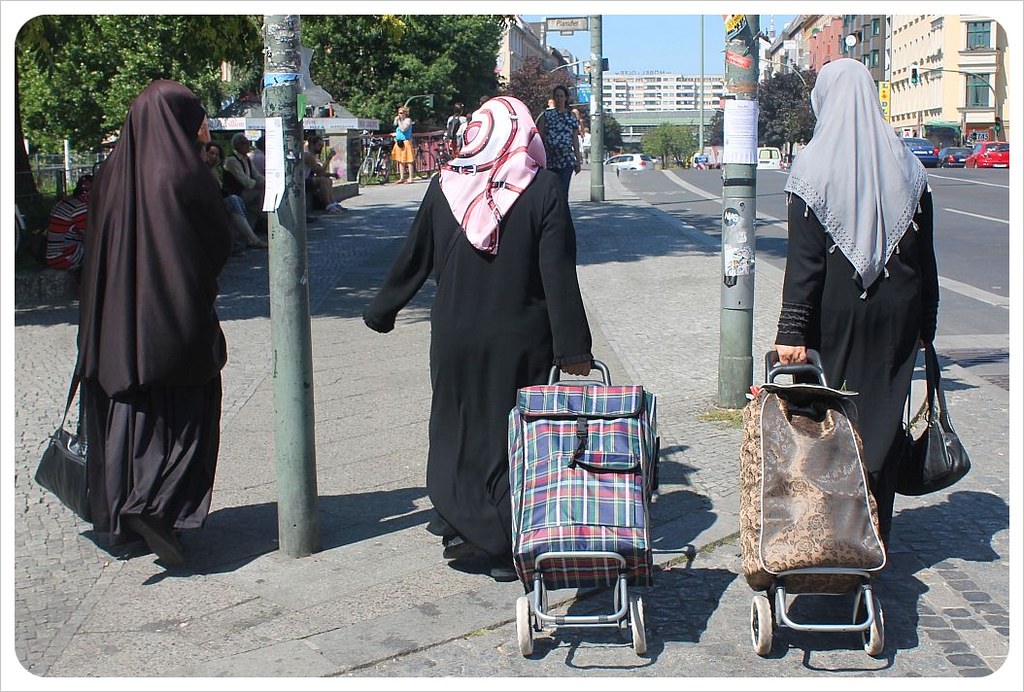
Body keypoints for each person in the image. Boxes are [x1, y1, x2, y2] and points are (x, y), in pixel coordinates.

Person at [363, 96, 593, 582]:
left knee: (455, 425)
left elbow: (415, 254)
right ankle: (502, 543)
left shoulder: (446, 184)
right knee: (512, 435)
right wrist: (573, 350)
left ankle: (458, 520)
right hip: (521, 337)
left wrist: (383, 308)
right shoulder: (543, 188)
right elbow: (558, 275)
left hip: (455, 333)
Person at [772, 59, 939, 546]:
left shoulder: (812, 167)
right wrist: (926, 323)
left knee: (830, 417)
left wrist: (791, 331)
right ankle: (875, 532)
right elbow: (925, 257)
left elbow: (805, 263)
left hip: (837, 313)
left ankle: (833, 532)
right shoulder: (908, 165)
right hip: (899, 313)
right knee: (883, 420)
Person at [76, 79, 233, 567]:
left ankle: (123, 515)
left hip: (115, 327)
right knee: (188, 411)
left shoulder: (110, 173)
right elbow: (218, 244)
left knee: (128, 414)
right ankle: (159, 505)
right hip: (173, 321)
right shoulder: (186, 174)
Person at [204, 141, 267, 250]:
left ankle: (251, 233)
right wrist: (259, 184)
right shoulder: (232, 161)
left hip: (226, 197)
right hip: (234, 193)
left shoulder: (246, 159)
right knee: (237, 200)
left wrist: (267, 183)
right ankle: (254, 236)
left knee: (252, 197)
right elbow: (245, 181)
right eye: (211, 153)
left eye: (217, 155)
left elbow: (256, 175)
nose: (214, 157)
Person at [535, 85, 582, 195]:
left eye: (561, 96)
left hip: (566, 160)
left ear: (566, 98)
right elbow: (540, 137)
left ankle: (563, 207)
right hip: (550, 160)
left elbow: (575, 140)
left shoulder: (571, 116)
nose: (559, 99)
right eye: (557, 96)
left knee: (563, 190)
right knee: (552, 191)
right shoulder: (546, 115)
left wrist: (578, 160)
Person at [46, 174, 93, 275]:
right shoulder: (81, 208)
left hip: (53, 254)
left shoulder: (65, 201)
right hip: (65, 257)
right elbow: (91, 237)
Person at [303, 133, 343, 211]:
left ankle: (332, 202)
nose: (321, 148)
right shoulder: (308, 155)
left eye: (322, 146)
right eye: (319, 145)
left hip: (307, 179)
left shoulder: (311, 155)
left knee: (328, 180)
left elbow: (318, 171)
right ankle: (328, 204)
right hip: (303, 182)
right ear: (312, 144)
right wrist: (328, 158)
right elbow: (319, 172)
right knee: (323, 181)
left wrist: (332, 175)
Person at [392, 106, 415, 184]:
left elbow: (403, 129)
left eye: (401, 113)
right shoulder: (400, 121)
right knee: (400, 160)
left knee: (409, 160)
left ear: (405, 113)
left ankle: (411, 177)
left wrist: (399, 121)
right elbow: (398, 129)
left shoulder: (407, 120)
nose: (400, 114)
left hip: (406, 142)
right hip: (399, 142)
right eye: (399, 113)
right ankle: (402, 177)